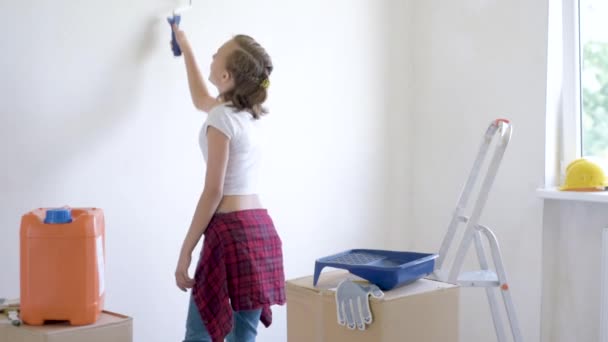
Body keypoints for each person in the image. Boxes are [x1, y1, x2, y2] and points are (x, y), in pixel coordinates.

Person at [171, 24, 285, 342]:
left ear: (226, 77)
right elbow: (200, 99)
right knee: (242, 335)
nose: (213, 54)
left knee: (199, 334)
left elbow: (213, 191)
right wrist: (185, 45)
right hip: (260, 231)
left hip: (231, 232)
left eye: (218, 53)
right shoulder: (246, 114)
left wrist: (185, 252)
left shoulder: (222, 118)